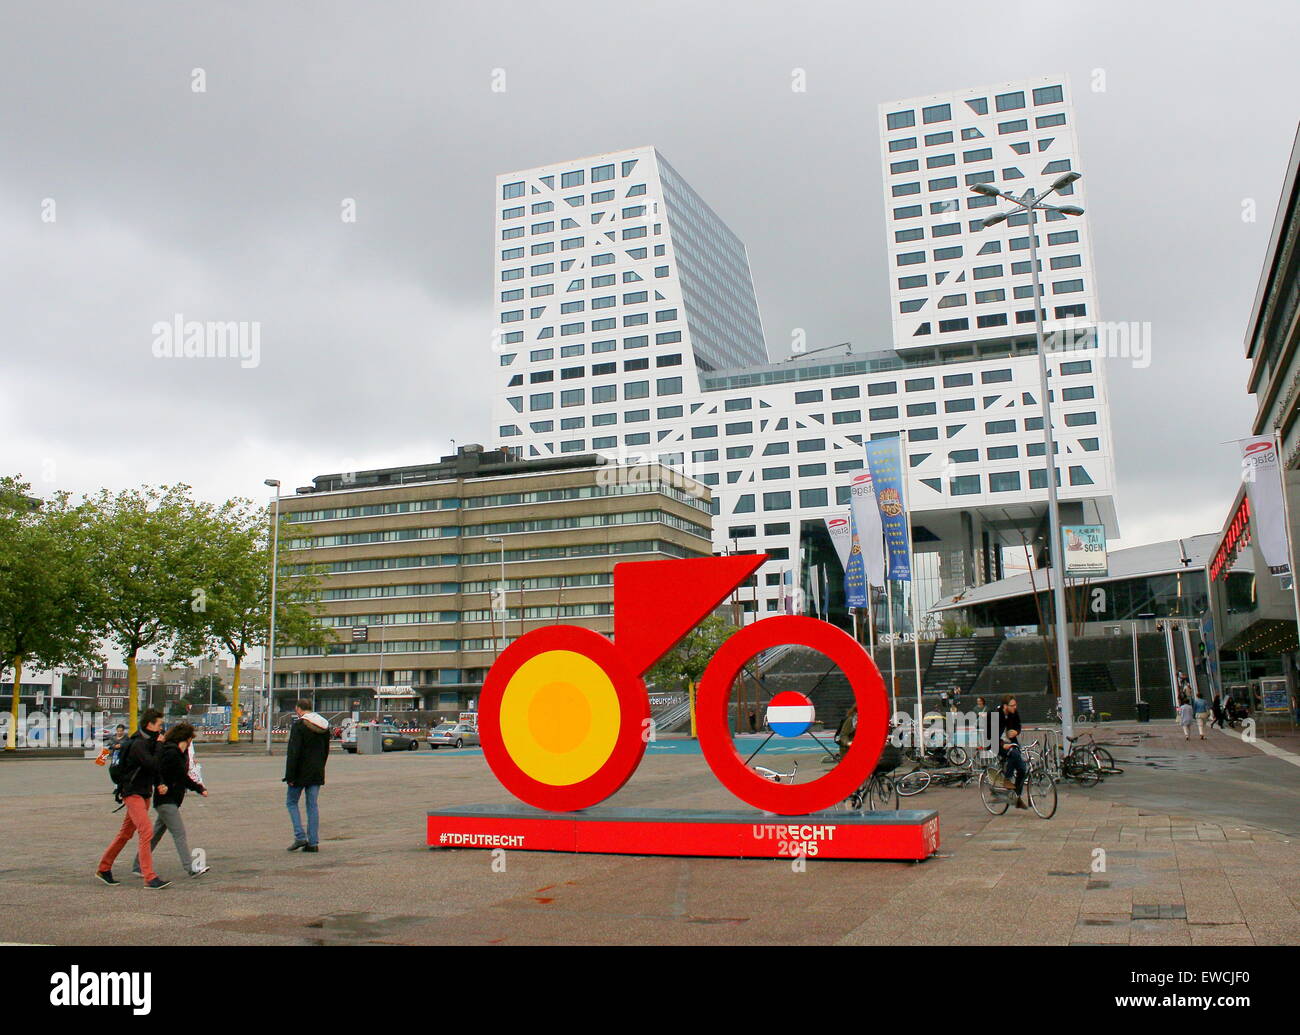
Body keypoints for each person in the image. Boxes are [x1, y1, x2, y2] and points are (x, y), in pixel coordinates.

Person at [96, 708, 170, 889]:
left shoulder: (148, 742)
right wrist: (161, 745)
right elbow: (152, 763)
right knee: (146, 831)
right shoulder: (138, 744)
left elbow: (153, 768)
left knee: (126, 833)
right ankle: (149, 877)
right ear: (150, 724)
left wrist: (159, 782)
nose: (162, 729)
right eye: (160, 725)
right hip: (133, 793)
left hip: (143, 793)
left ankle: (104, 868)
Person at [131, 723, 209, 879]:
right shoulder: (171, 753)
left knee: (155, 835)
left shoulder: (178, 753)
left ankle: (138, 865)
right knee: (179, 833)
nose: (190, 743)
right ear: (186, 738)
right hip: (166, 800)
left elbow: (181, 776)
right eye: (190, 739)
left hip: (170, 800)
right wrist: (199, 788)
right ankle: (190, 868)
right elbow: (172, 774)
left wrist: (198, 788)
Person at [284, 700, 330, 853]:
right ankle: (313, 842)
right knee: (312, 805)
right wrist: (320, 768)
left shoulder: (299, 726)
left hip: (299, 773)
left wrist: (289, 776)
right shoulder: (324, 726)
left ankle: (300, 836)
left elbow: (293, 752)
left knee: (291, 802)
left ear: (298, 709)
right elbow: (325, 751)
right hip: (316, 771)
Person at [998, 696, 1028, 809]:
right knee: (1013, 754)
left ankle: (1016, 796)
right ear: (1005, 706)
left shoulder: (1014, 713)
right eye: (1012, 705)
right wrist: (1002, 744)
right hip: (998, 744)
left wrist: (1016, 732)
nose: (1015, 707)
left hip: (1012, 743)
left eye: (1015, 705)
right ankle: (1007, 779)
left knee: (1022, 769)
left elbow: (1018, 726)